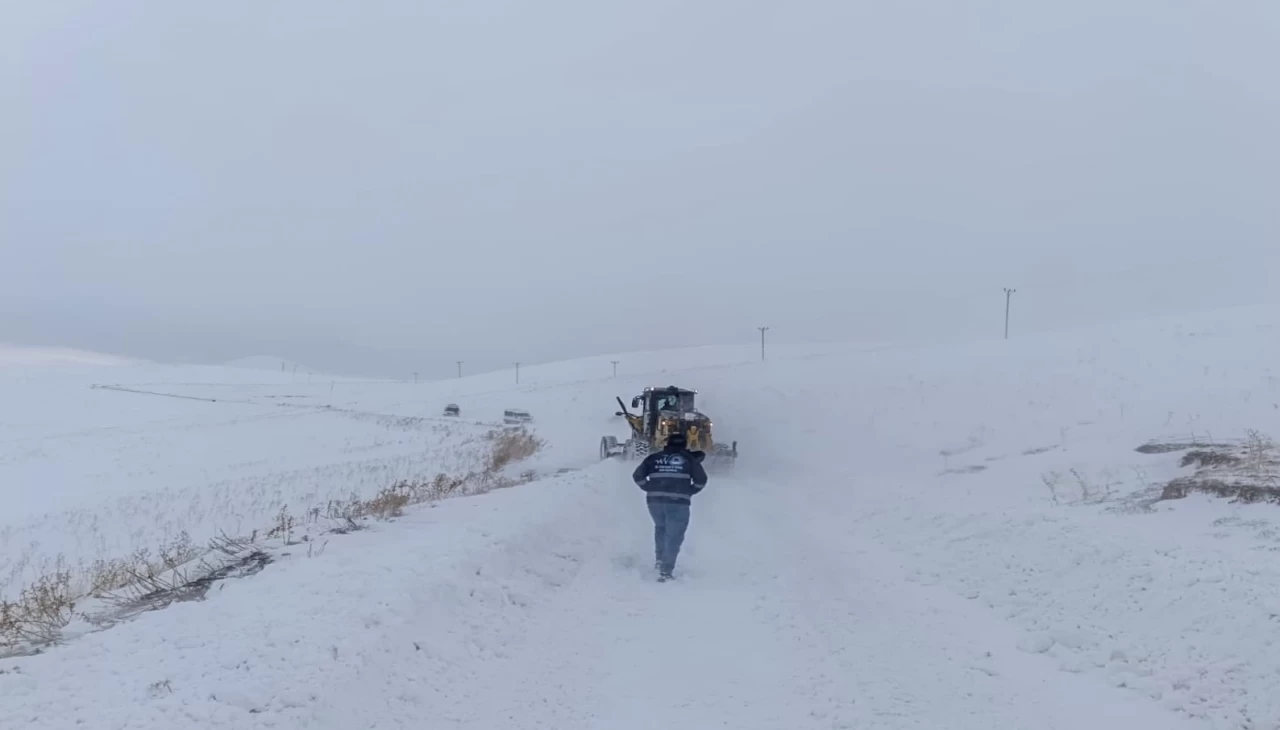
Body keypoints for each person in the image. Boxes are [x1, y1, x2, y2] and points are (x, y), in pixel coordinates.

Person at [632, 431, 708, 580]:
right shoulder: (689, 460)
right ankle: (666, 570)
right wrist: (690, 491)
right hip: (678, 502)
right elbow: (701, 480)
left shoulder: (654, 458)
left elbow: (637, 476)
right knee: (674, 536)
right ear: (685, 444)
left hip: (655, 503)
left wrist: (648, 488)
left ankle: (659, 560)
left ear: (667, 443)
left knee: (661, 528)